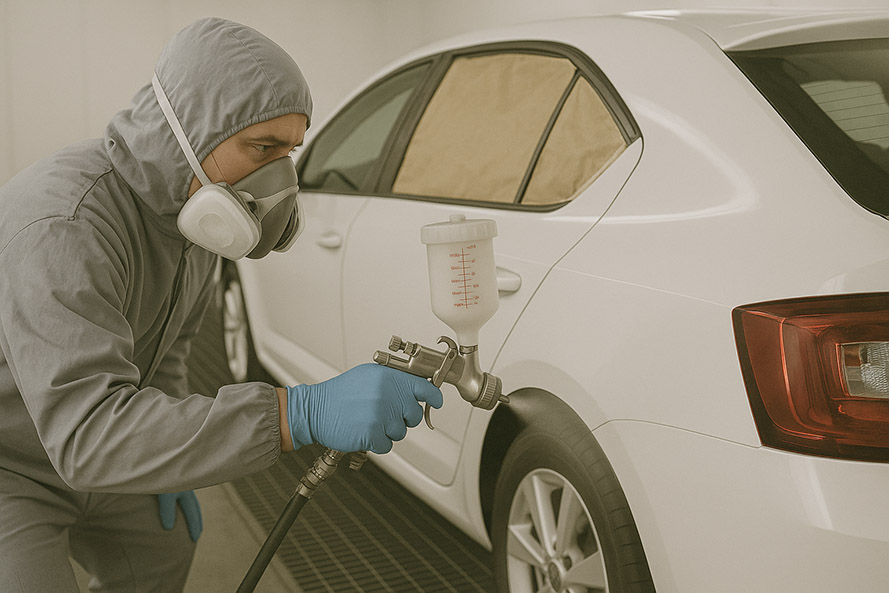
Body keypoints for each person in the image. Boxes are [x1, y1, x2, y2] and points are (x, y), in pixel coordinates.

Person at [0, 17, 442, 592]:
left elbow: (171, 352)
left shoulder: (192, 221)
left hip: (95, 454)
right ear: (187, 135)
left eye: (289, 152)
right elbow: (86, 436)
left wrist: (165, 460)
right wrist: (296, 413)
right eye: (262, 148)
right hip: (15, 463)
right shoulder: (66, 227)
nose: (279, 178)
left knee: (166, 546)